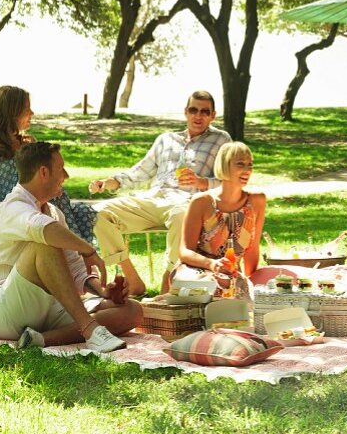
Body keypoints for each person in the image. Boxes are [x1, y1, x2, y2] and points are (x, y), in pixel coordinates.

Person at [0, 140, 143, 351]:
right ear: (43, 172)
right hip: (3, 313)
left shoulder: (54, 213)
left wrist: (103, 292)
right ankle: (89, 329)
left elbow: (75, 269)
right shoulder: (11, 208)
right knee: (44, 245)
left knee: (132, 311)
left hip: (47, 309)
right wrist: (88, 250)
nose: (66, 175)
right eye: (61, 169)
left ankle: (40, 340)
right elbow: (43, 230)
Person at [89, 90, 231, 295]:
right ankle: (132, 278)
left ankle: (168, 281)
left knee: (183, 216)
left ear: (213, 115)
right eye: (193, 110)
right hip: (152, 199)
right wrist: (109, 182)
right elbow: (140, 172)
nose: (198, 116)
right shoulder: (166, 139)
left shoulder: (221, 140)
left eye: (204, 112)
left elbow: (228, 179)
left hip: (186, 201)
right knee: (96, 214)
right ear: (185, 112)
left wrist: (201, 182)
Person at [0, 85, 97, 245]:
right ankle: (77, 256)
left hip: (39, 208)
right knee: (50, 216)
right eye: (27, 109)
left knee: (83, 212)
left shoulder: (29, 143)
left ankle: (79, 257)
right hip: (8, 211)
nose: (32, 113)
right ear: (12, 113)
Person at [174, 141, 266, 298]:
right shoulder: (201, 201)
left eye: (250, 165)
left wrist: (253, 282)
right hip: (197, 271)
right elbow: (185, 251)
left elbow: (252, 248)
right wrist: (212, 264)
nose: (247, 170)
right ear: (224, 165)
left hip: (231, 275)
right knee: (216, 290)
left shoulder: (257, 201)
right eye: (240, 164)